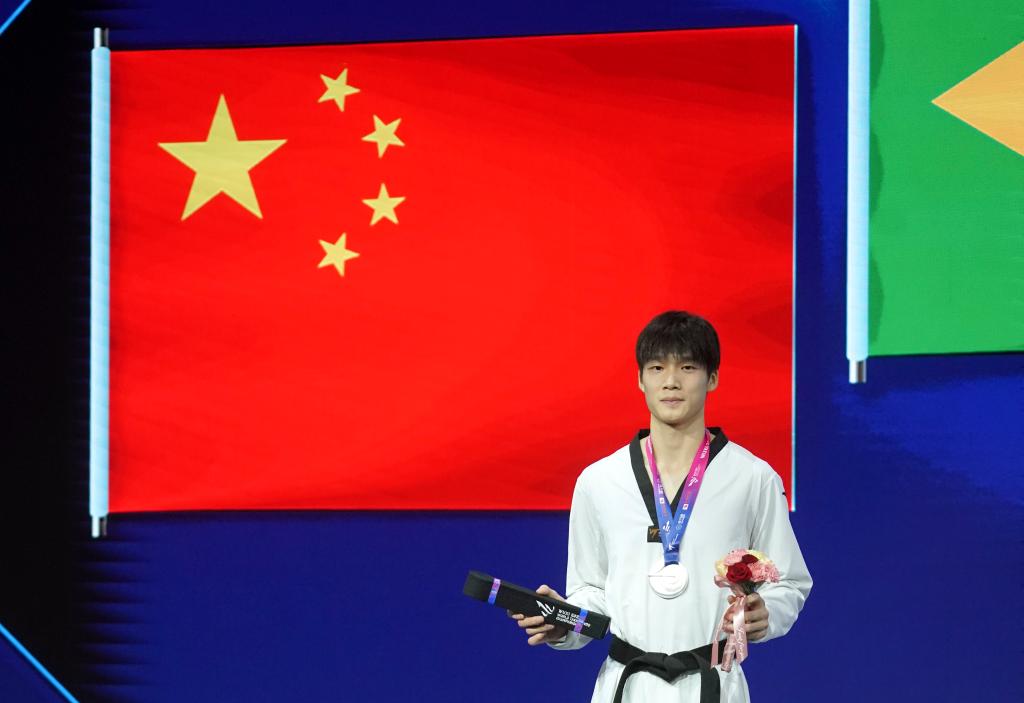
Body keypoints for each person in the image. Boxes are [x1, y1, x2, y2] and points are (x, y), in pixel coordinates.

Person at [510, 310, 811, 702]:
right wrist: (563, 621)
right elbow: (592, 589)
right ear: (640, 379)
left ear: (712, 378)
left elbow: (789, 581)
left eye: (687, 367)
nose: (671, 381)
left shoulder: (752, 478)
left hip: (713, 683)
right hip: (626, 685)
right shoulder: (599, 481)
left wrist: (765, 612)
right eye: (657, 368)